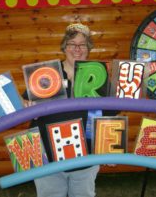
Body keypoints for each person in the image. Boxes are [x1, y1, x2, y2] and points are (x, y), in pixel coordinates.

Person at [23, 23, 116, 197]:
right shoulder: (47, 72)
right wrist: (26, 104)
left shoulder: (98, 74)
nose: (77, 49)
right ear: (64, 47)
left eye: (82, 45)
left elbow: (109, 114)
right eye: (72, 44)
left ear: (88, 48)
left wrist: (109, 148)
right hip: (47, 155)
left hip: (85, 157)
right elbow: (25, 101)